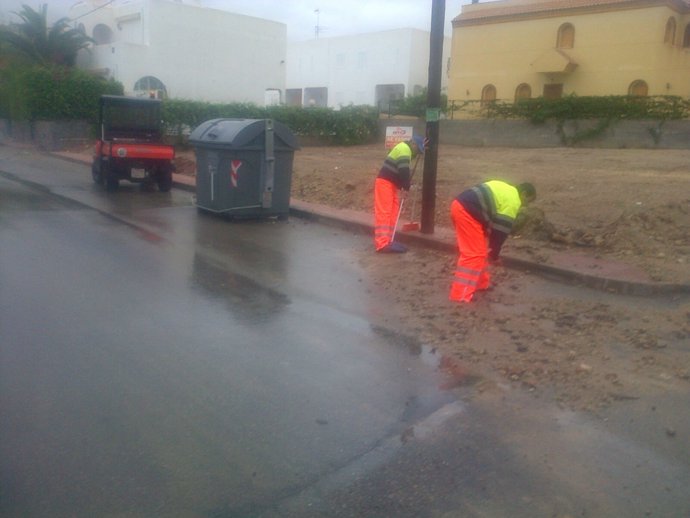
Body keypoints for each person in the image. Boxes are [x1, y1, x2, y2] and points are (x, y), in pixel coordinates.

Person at [449, 180, 536, 303]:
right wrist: (494, 255)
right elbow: (500, 231)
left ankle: (480, 284)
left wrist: (491, 250)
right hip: (467, 212)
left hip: (461, 206)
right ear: (524, 194)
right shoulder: (514, 201)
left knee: (481, 250)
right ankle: (460, 295)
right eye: (528, 201)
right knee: (474, 254)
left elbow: (488, 210)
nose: (525, 205)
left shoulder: (505, 188)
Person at [374, 135, 425, 253]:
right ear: (414, 144)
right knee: (385, 212)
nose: (417, 153)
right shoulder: (404, 149)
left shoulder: (406, 150)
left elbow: (403, 171)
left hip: (391, 184)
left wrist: (404, 186)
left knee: (393, 211)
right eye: (418, 149)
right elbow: (404, 170)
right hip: (385, 183)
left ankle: (388, 240)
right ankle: (382, 243)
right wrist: (406, 187)